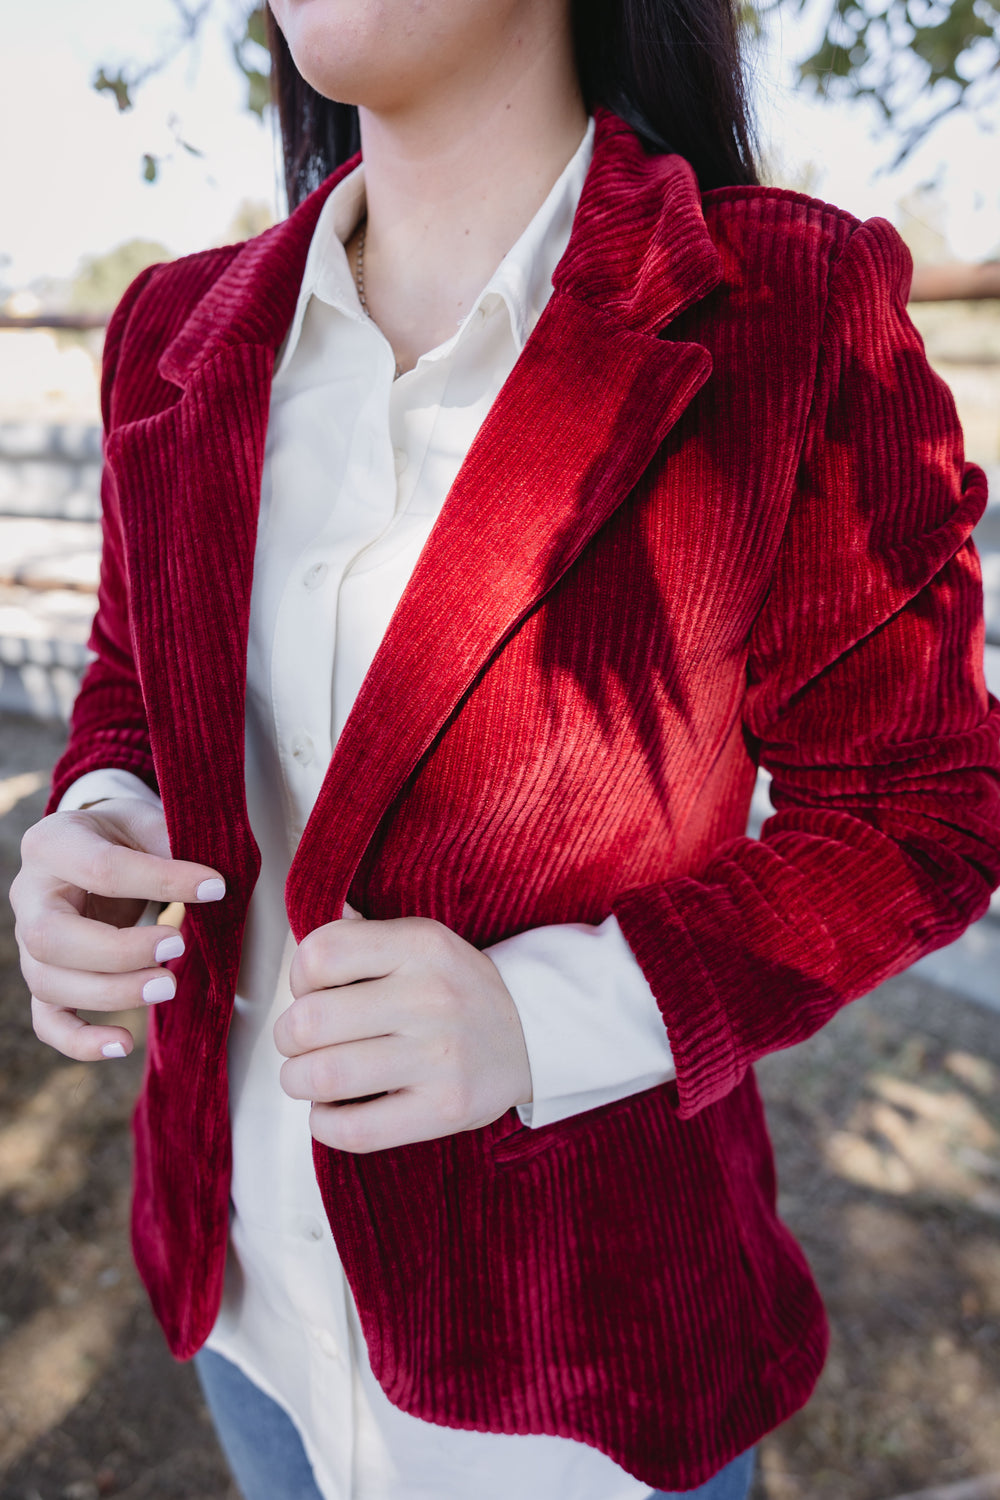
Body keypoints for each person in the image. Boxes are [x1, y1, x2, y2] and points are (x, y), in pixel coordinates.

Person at [11, 0, 1000, 1496]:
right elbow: (137, 675)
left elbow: (924, 811)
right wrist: (103, 804)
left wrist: (551, 1018)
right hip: (247, 1314)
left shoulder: (786, 302)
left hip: (586, 1374)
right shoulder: (174, 329)